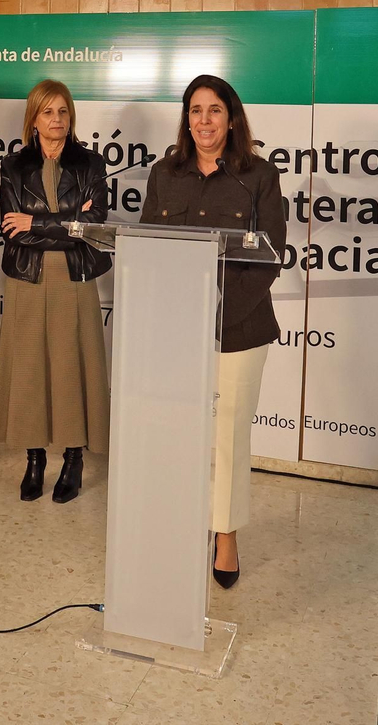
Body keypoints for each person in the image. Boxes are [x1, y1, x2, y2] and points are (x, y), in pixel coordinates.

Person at [140, 74, 286, 589]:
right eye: (195, 110)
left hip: (239, 328)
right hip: (177, 327)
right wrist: (176, 313)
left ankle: (224, 533)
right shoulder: (164, 174)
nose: (204, 120)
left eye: (214, 110)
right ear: (186, 119)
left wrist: (217, 313)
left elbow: (270, 256)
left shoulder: (258, 176)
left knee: (228, 437)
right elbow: (148, 246)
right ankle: (182, 522)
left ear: (231, 118)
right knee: (178, 431)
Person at [0, 79, 111, 503]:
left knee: (72, 367)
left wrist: (36, 222)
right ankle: (34, 460)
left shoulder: (90, 164)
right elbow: (12, 232)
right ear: (33, 119)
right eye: (48, 112)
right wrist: (69, 221)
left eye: (63, 111)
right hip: (27, 278)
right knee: (30, 368)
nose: (57, 120)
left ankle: (73, 459)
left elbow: (93, 226)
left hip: (75, 278)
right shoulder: (14, 166)